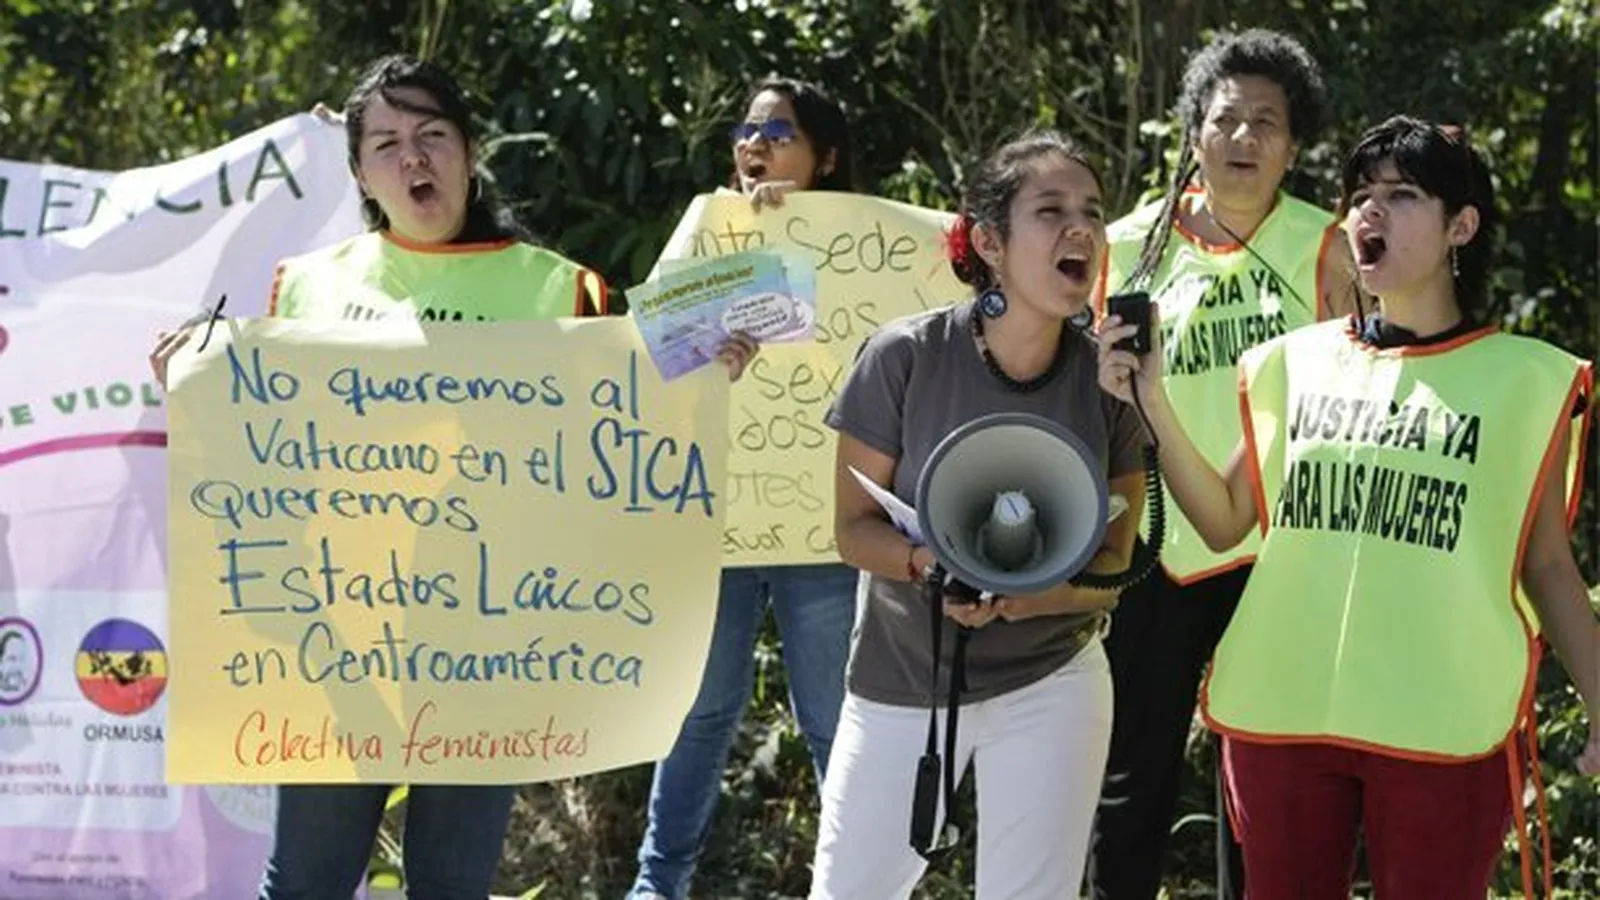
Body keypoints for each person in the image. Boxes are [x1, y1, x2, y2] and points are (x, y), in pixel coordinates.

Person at [150, 54, 757, 900]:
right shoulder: (305, 285)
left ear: (471, 152)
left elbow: (621, 437)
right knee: (305, 886)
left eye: (432, 135)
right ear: (361, 174)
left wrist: (704, 367)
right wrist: (192, 380)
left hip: (491, 648)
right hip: (338, 639)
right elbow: (262, 442)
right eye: (386, 144)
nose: (413, 158)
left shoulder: (559, 289)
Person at [1097, 114, 1600, 900]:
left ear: (1461, 226)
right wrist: (1151, 400)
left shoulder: (1524, 380)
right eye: (1361, 195)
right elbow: (1225, 521)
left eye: (1401, 195)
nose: (1369, 211)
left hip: (1442, 718)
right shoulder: (1293, 361)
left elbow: (1547, 567)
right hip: (1286, 712)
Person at [808, 129, 1147, 899]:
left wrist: (1036, 599)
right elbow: (853, 529)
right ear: (989, 242)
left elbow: (1116, 562)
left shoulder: (1109, 381)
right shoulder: (903, 357)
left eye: (1092, 212)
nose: (1080, 230)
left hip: (1053, 680)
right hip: (903, 680)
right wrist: (929, 566)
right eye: (1051, 210)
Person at [1085, 29, 1358, 900]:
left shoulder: (1332, 248)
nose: (1243, 138)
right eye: (1226, 118)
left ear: (1295, 144)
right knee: (1131, 777)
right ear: (1193, 131)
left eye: (1266, 123)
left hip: (1283, 556)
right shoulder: (1128, 246)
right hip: (1157, 546)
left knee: (1266, 786)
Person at [626, 75, 861, 900]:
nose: (754, 144)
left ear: (825, 158)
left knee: (835, 723)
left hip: (821, 526)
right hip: (715, 521)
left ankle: (857, 886)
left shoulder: (867, 246)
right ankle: (658, 888)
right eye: (746, 131)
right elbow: (646, 352)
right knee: (699, 716)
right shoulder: (707, 227)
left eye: (779, 132)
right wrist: (708, 335)